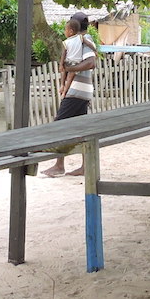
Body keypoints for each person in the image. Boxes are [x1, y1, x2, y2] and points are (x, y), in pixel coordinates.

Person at [38, 13, 97, 177]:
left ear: (73, 28)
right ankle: (84, 166)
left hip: (76, 91)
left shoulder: (82, 40)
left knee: (60, 125)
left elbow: (91, 63)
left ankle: (59, 165)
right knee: (81, 128)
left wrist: (68, 69)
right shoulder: (82, 41)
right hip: (83, 91)